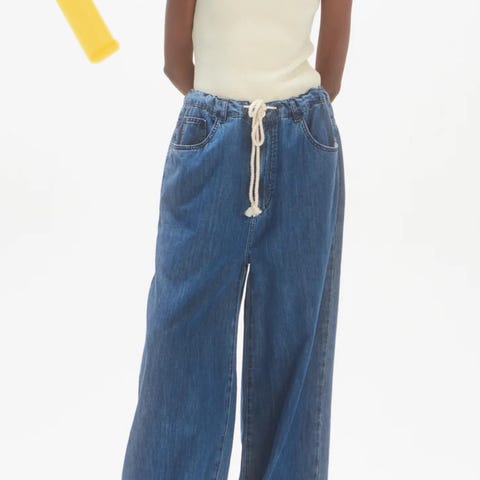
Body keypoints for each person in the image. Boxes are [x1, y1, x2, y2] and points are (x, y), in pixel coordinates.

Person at [121, 0, 352, 478]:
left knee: (294, 349)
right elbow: (174, 59)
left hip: (303, 142)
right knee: (179, 342)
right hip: (214, 137)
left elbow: (331, 73)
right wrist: (231, 119)